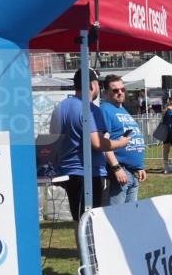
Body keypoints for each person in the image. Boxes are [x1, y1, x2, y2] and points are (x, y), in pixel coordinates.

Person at [49, 69, 130, 245]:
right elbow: (97, 143)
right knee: (91, 222)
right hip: (88, 173)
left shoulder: (61, 107)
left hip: (68, 172)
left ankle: (86, 264)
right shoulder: (89, 109)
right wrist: (121, 143)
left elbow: (52, 140)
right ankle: (91, 265)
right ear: (93, 85)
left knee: (80, 221)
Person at [100, 75, 147, 204]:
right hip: (120, 171)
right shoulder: (105, 110)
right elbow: (103, 143)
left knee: (131, 217)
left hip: (133, 172)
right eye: (115, 90)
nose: (120, 92)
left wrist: (139, 166)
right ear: (105, 92)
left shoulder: (122, 109)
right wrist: (116, 168)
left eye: (122, 89)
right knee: (116, 215)